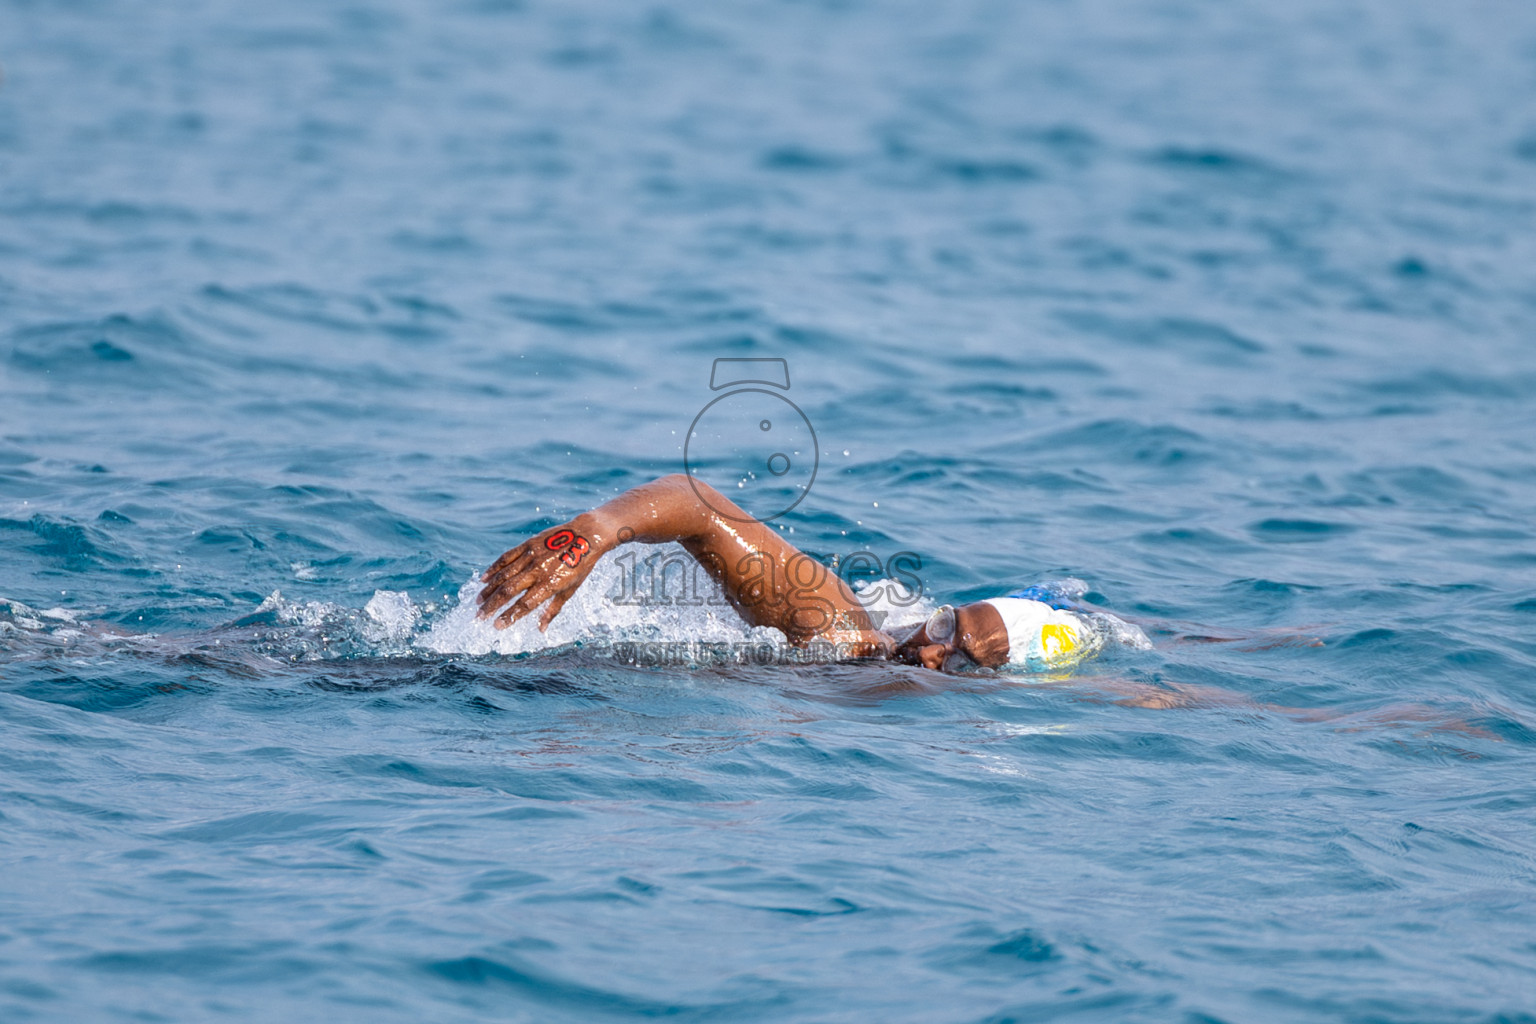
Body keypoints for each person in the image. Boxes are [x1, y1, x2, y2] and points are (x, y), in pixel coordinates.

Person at [476, 473, 1137, 674]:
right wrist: (591, 533)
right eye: (945, 624)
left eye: (958, 658)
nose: (931, 649)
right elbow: (698, 504)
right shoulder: (844, 632)